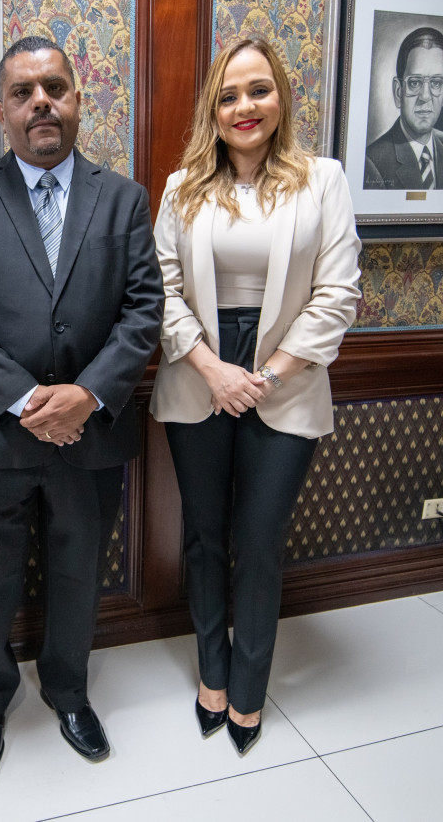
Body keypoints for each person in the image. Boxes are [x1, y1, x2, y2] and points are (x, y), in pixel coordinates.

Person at [0, 36, 163, 782]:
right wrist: (27, 399)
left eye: (55, 88)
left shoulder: (121, 197)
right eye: (24, 93)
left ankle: (67, 691)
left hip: (91, 434)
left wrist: (87, 395)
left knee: (78, 570)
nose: (41, 104)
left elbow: (144, 308)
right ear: (2, 112)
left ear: (78, 99)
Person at [150, 38, 361, 755]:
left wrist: (264, 374)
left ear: (282, 100)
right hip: (198, 376)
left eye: (260, 90)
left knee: (261, 543)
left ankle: (248, 686)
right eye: (231, 94)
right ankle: (212, 673)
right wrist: (216, 371)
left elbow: (338, 294)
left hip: (288, 378)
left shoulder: (322, 180)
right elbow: (161, 292)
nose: (246, 106)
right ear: (214, 106)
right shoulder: (182, 188)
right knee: (206, 538)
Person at [364, 26, 443, 189]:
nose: (425, 97)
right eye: (415, 83)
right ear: (398, 91)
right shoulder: (372, 162)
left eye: (436, 83)